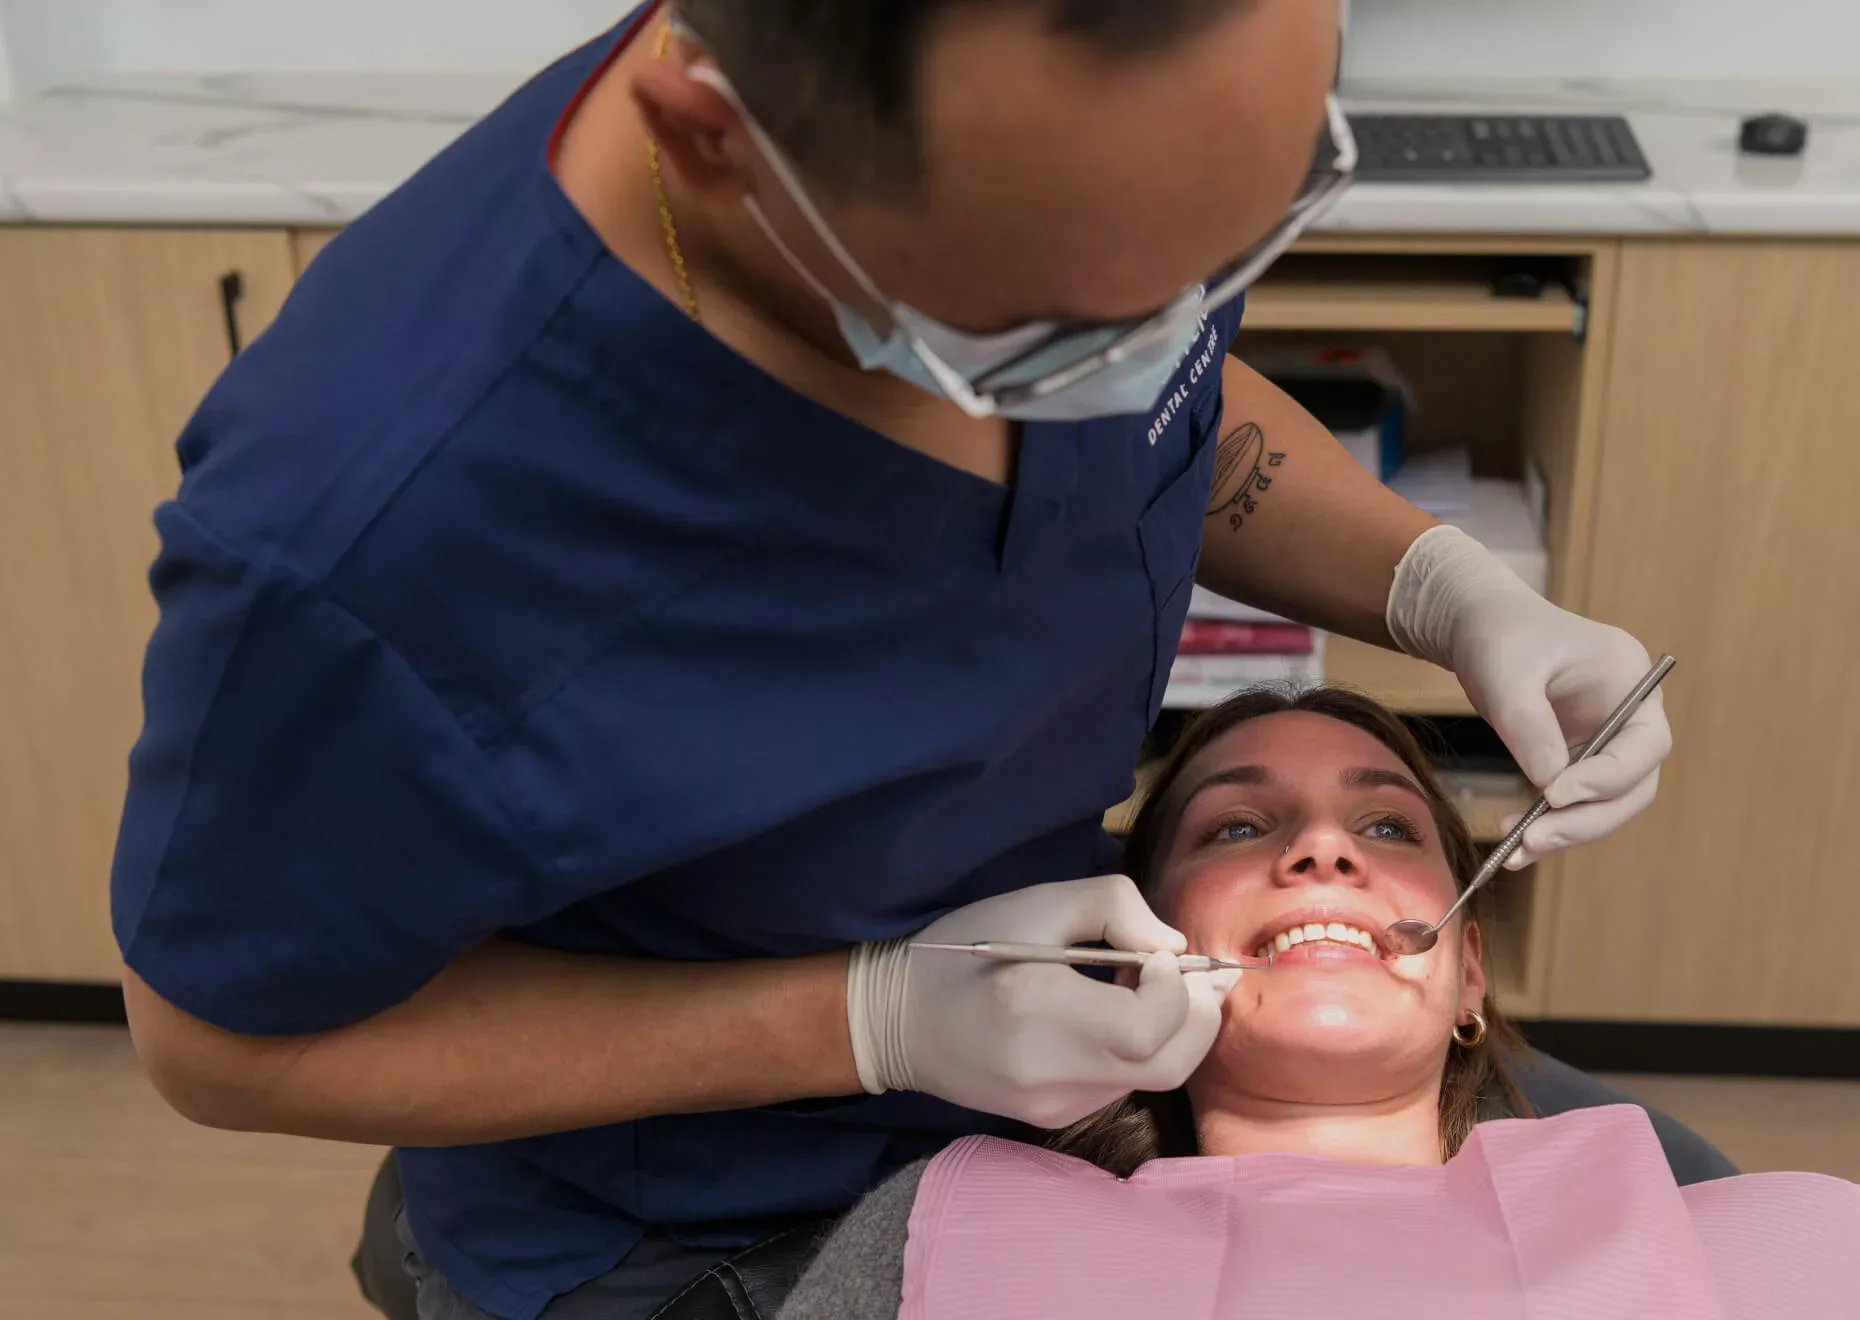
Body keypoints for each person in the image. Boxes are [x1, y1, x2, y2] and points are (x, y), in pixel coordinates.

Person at [109, 2, 1674, 1318]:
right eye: (1061, 323)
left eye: (1233, 243)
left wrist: (1442, 586)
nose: (1175, 327)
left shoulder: (1071, 183)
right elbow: (225, 1043)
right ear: (711, 141)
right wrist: (867, 1022)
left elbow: (1160, 385)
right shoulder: (375, 539)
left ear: (1475, 979)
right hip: (689, 1225)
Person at [775, 688, 1854, 1320]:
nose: (1323, 847)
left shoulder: (1794, 1239)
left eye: (1387, 828)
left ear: (1469, 972)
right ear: (1131, 958)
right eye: (1237, 828)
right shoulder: (955, 1234)